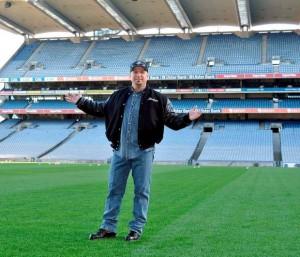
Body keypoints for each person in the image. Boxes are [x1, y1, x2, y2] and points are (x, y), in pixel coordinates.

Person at [65, 60, 201, 241]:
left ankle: (136, 228)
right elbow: (101, 109)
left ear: (147, 76)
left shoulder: (159, 99)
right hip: (119, 151)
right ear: (130, 75)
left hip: (143, 152)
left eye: (142, 72)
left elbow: (172, 121)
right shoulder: (118, 95)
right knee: (114, 190)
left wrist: (187, 118)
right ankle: (108, 228)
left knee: (141, 192)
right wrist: (81, 101)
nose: (138, 75)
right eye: (135, 72)